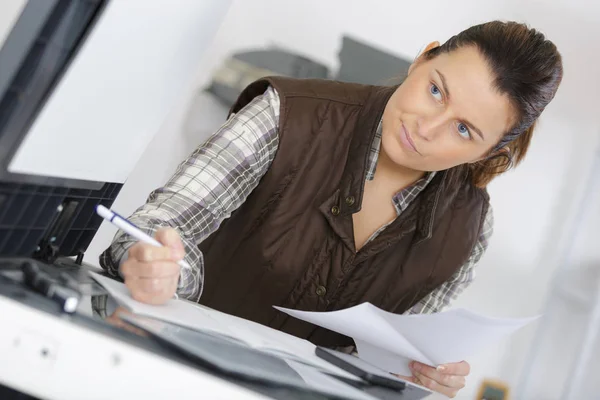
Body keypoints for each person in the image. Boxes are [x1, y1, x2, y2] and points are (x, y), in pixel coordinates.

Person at [100, 20, 562, 398]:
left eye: (464, 130)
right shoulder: (285, 114)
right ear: (422, 58)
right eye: (436, 91)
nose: (427, 128)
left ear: (485, 154)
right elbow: (158, 225)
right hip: (161, 376)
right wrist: (157, 267)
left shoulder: (471, 228)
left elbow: (389, 357)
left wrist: (417, 373)